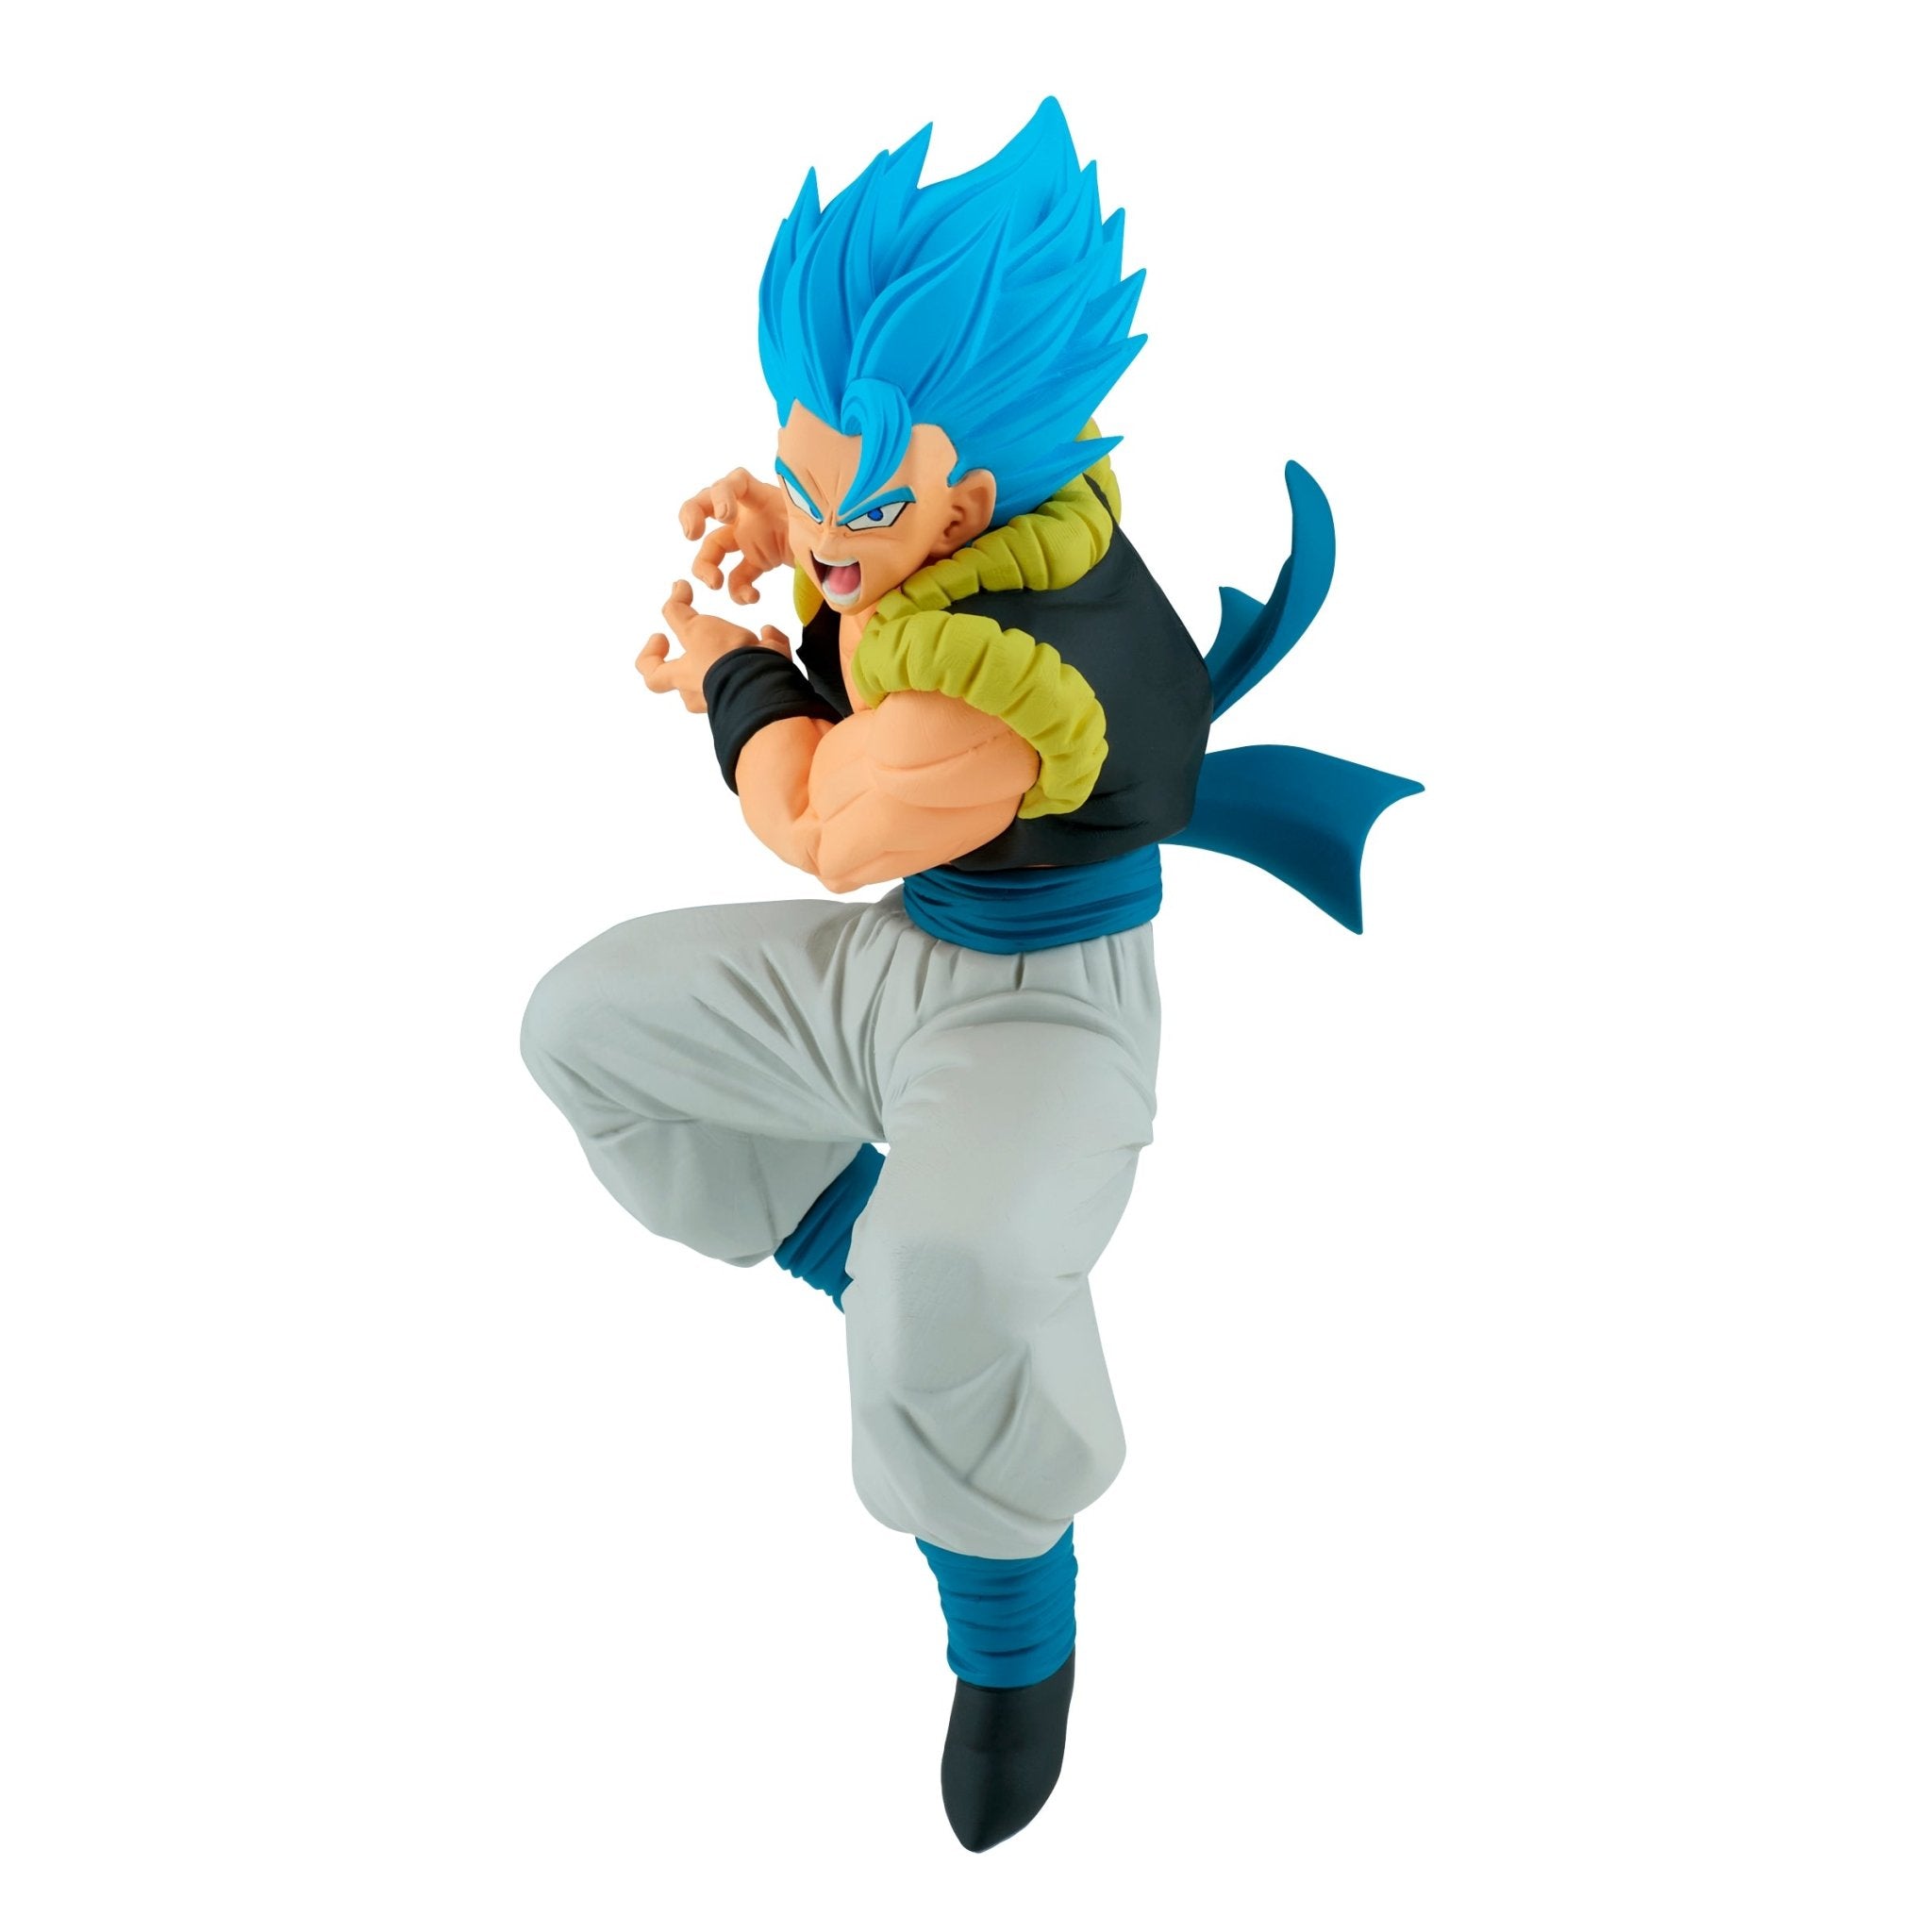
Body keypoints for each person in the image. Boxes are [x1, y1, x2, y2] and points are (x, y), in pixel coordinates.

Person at [520, 98, 1419, 1851]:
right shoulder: (990, 509)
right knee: (590, 1027)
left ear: (967, 493)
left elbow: (812, 822)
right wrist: (796, 526)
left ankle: (1014, 1627)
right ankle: (887, 1283)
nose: (819, 513)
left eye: (851, 490)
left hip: (1046, 1018)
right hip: (901, 969)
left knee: (949, 1283)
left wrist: (727, 669)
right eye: (802, 465)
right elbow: (872, 568)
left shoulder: (985, 698)